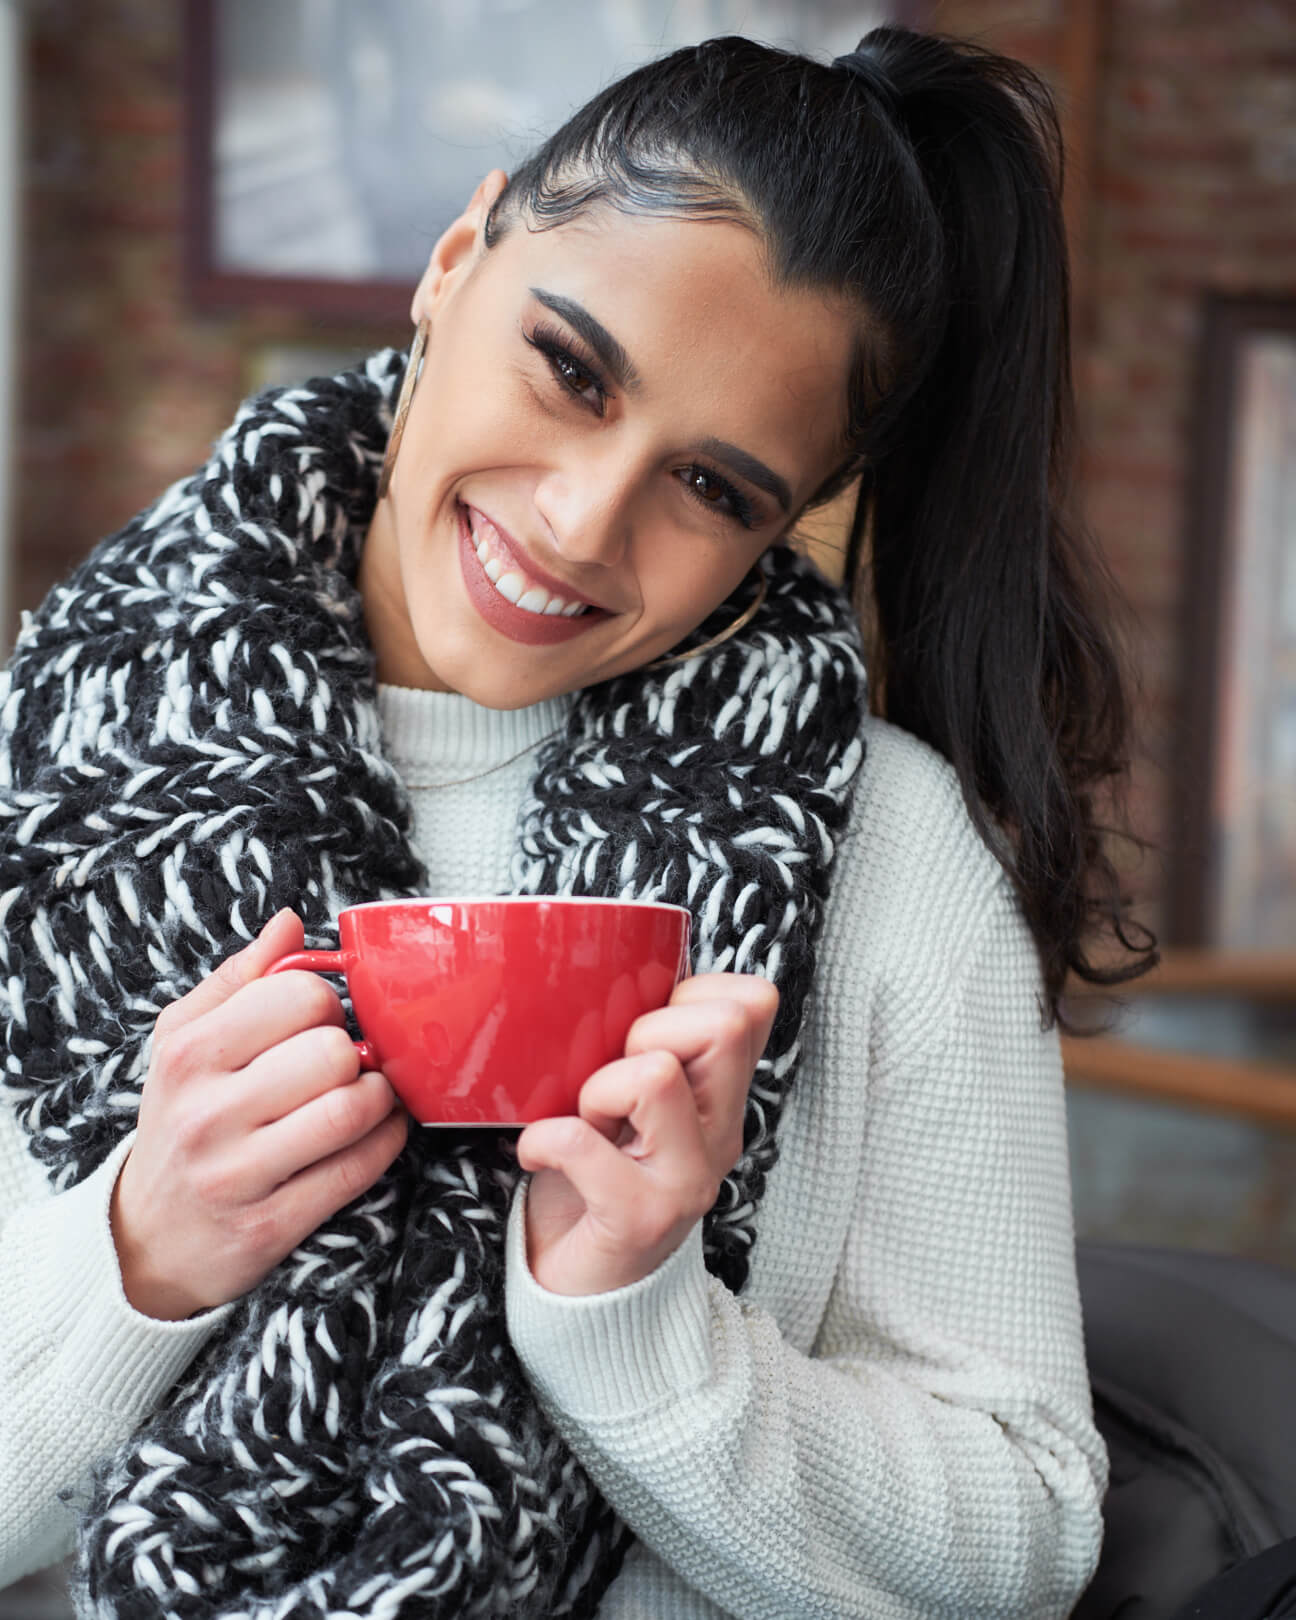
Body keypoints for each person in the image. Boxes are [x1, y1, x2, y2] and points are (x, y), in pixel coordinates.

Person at [0, 24, 1154, 1620]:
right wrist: (137, 1256)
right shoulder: (53, 756)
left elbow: (1025, 1531)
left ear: (783, 522)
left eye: (715, 488)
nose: (579, 522)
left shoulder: (885, 861)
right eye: (570, 367)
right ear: (458, 255)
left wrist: (631, 1315)